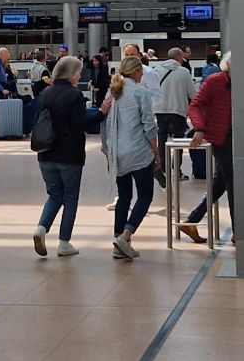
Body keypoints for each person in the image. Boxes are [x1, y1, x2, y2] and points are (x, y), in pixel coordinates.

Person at [101, 55, 160, 261]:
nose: (142, 74)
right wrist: (156, 151)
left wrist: (107, 149)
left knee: (123, 197)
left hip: (116, 152)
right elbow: (149, 125)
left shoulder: (112, 92)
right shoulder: (140, 92)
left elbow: (104, 123)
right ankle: (125, 236)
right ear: (135, 72)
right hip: (138, 152)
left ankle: (118, 241)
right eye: (141, 71)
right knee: (145, 196)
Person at [31, 55, 89, 259]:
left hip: (45, 153)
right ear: (71, 74)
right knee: (70, 198)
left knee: (54, 195)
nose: (79, 76)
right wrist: (101, 112)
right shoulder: (75, 95)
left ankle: (41, 228)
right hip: (69, 155)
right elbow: (81, 123)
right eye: (78, 72)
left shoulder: (45, 93)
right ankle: (64, 242)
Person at [178, 55, 236, 242]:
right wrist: (200, 128)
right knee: (233, 183)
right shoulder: (215, 81)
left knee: (221, 183)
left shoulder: (241, 82)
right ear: (228, 65)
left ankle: (191, 221)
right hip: (222, 137)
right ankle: (239, 232)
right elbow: (194, 105)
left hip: (235, 137)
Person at [148, 48, 193, 143]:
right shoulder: (184, 71)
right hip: (178, 110)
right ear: (179, 57)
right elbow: (192, 93)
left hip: (160, 109)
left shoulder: (156, 70)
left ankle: (162, 153)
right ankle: (177, 153)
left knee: (162, 138)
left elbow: (151, 90)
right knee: (179, 140)